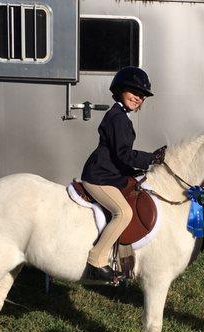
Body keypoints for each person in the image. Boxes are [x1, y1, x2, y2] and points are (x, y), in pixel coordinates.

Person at [81, 66, 166, 282]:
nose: (138, 98)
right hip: (99, 177)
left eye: (142, 96)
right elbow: (123, 154)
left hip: (110, 174)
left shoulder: (121, 116)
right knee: (123, 213)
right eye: (134, 93)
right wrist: (151, 159)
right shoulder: (117, 118)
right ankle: (96, 260)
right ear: (120, 90)